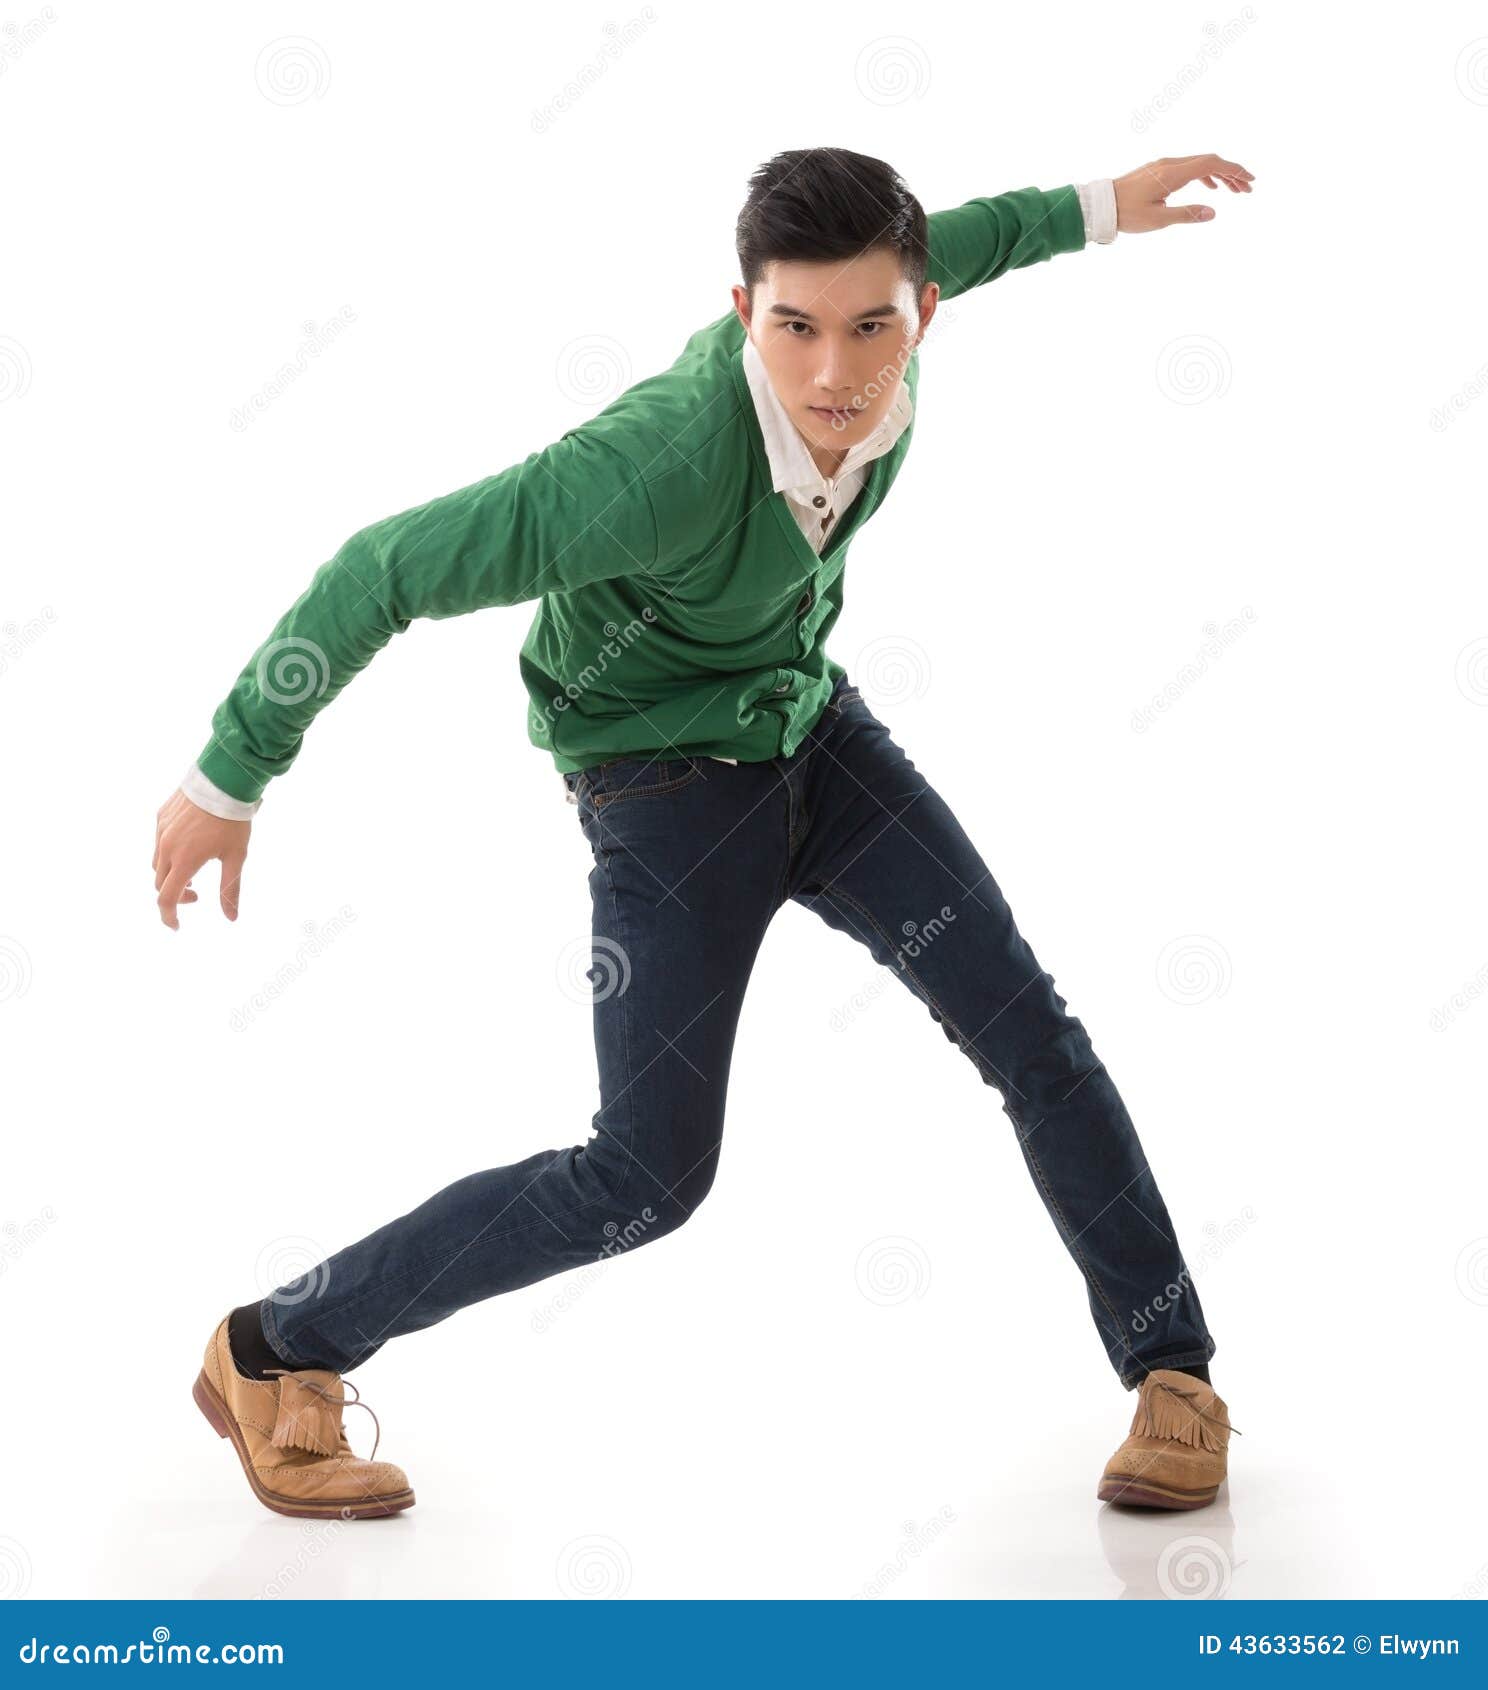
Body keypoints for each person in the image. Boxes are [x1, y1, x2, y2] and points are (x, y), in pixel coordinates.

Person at [158, 148, 1252, 1521]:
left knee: (1030, 1028)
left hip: (811, 730)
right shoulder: (656, 464)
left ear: (921, 310)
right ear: (744, 313)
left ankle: (1175, 1379)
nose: (835, 372)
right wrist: (227, 774)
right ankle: (276, 1346)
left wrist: (1101, 208)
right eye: (794, 327)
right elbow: (384, 566)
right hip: (662, 784)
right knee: (644, 1175)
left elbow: (968, 236)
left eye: (873, 325)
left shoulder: (898, 320)